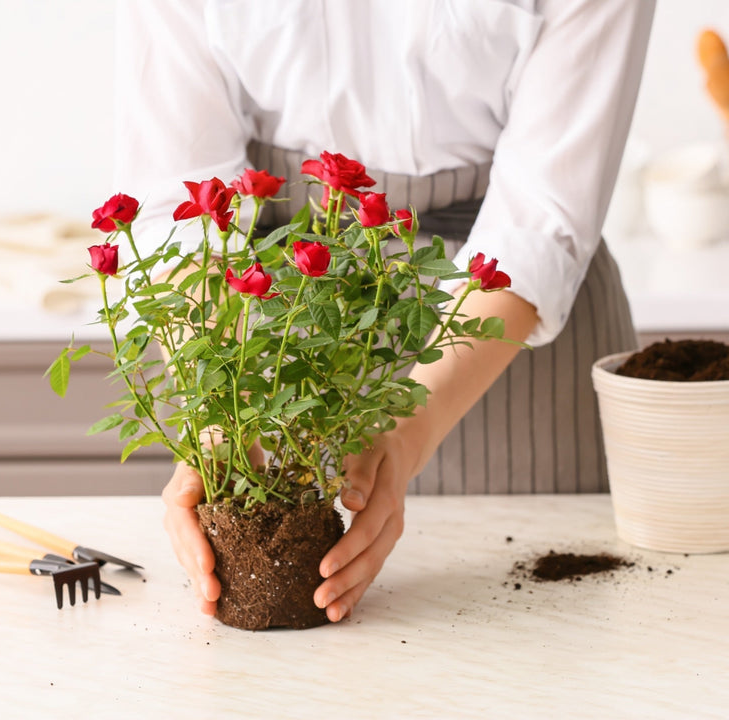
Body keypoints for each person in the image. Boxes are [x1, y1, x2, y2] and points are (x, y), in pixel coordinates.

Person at [113, 0, 656, 623]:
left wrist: (408, 427)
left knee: (535, 643)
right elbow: (179, 208)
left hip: (513, 339)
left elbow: (541, 222)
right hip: (276, 323)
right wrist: (222, 428)